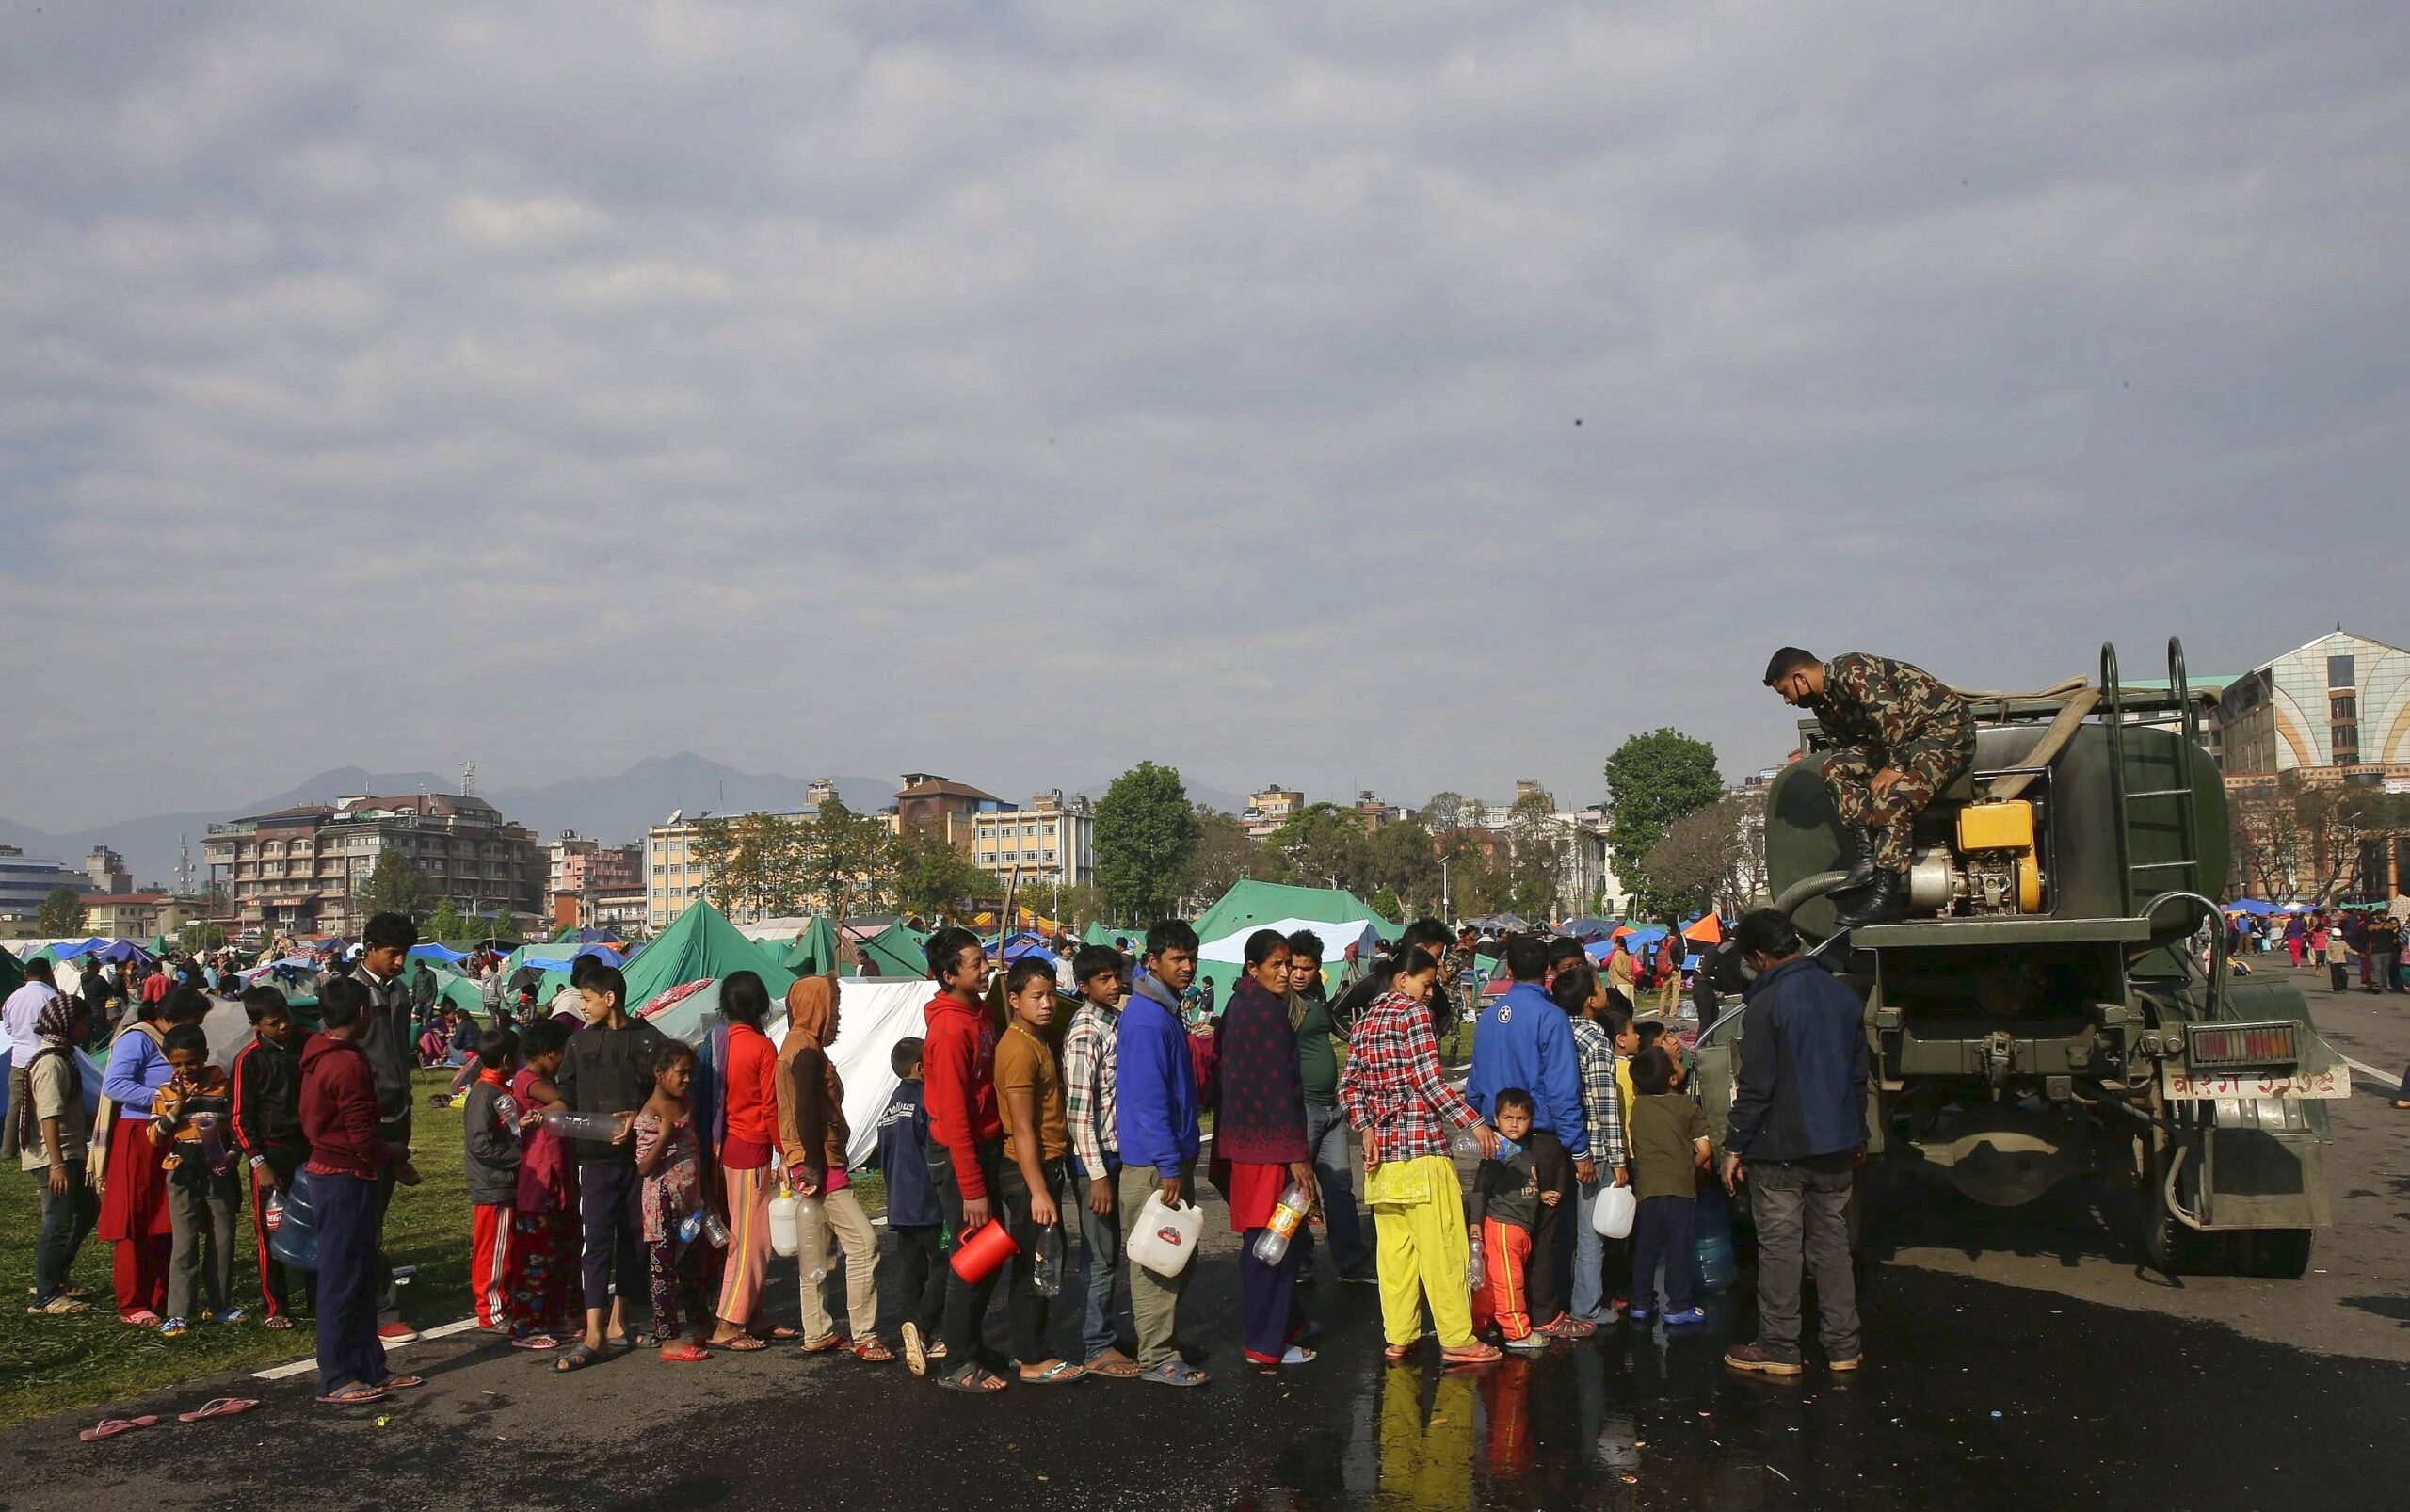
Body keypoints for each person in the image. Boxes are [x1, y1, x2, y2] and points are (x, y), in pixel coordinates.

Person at [1719, 909, 1867, 1376]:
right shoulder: (1842, 995)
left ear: (1760, 957)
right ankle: (1844, 1346)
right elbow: (1859, 1076)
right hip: (1837, 1144)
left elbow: (1757, 1085)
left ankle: (1781, 1347)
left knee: (1781, 1248)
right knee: (1832, 1246)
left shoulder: (1768, 1003)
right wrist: (1857, 1130)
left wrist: (1734, 1146)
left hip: (1780, 1149)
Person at [1339, 945, 1501, 1367]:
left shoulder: (1366, 1020)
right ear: (1403, 978)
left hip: (1382, 1161)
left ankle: (1399, 1337)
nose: (1429, 993)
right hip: (1422, 1152)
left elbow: (1349, 1088)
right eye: (1426, 983)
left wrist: (1368, 1129)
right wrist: (1474, 1122)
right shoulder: (1411, 1014)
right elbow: (1428, 1082)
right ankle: (1457, 1339)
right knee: (1444, 1252)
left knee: (1394, 1258)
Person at [1764, 646, 1976, 928]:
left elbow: (1890, 716)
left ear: (1801, 678)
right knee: (1835, 767)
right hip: (1902, 743)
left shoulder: (1851, 670)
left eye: (1785, 691)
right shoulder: (1825, 703)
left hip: (1942, 732)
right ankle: (1867, 859)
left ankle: (1886, 897)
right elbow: (1844, 751)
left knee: (1891, 795)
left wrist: (1895, 767)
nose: (1787, 701)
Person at [302, 974, 423, 1406]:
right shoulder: (346, 1064)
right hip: (345, 1174)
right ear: (361, 1015)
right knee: (343, 1278)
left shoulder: (322, 1055)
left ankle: (369, 1366)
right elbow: (361, 1134)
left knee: (361, 1272)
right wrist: (394, 1154)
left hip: (339, 1170)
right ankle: (336, 1375)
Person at [1465, 934, 1593, 1341]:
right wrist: (1578, 1147)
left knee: (1503, 1226)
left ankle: (1503, 1312)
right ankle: (1542, 1314)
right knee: (1543, 1229)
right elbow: (1561, 1087)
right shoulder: (1551, 1017)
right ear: (1548, 972)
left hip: (1496, 1135)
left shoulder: (1489, 1016)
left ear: (1510, 970)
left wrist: (1482, 1122)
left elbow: (1475, 1084)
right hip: (1540, 1137)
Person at [554, 963, 667, 1372]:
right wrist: (542, 1113)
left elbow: (667, 1091)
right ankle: (594, 1334)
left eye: (585, 999)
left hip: (640, 1159)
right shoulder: (578, 1045)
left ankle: (622, 1321)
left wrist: (638, 1117)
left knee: (636, 1239)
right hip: (595, 1159)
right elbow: (565, 1094)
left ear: (609, 998)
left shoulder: (650, 1040)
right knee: (597, 1241)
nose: (581, 1006)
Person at [1216, 930, 1320, 1371]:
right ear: (1252, 968)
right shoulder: (1266, 1012)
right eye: (1275, 965)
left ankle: (1282, 1326)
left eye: (1288, 964)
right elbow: (1280, 1089)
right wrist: (1297, 1155)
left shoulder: (1240, 1004)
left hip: (1247, 1147)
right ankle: (1266, 1342)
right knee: (1272, 1245)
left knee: (1268, 1242)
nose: (1285, 973)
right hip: (1269, 1151)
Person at [1115, 919, 1208, 1388]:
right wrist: (1169, 1165)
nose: (1188, 967)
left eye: (1192, 958)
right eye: (1177, 959)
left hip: (1168, 1156)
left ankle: (1161, 1343)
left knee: (1176, 1260)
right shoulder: (1150, 1018)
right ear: (1153, 961)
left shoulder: (1161, 1008)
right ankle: (1157, 1357)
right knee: (1157, 1264)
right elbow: (1150, 1100)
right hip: (1155, 1163)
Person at [920, 927, 1009, 1392]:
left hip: (986, 1144)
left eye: (983, 960)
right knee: (969, 1255)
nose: (985, 967)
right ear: (949, 974)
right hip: (960, 1153)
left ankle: (970, 1342)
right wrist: (971, 1187)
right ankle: (958, 1361)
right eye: (975, 963)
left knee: (990, 1252)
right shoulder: (951, 1029)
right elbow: (954, 1115)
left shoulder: (981, 1012)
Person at [779, 975, 884, 1360]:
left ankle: (817, 1330)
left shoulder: (797, 1045)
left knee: (815, 1254)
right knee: (864, 1245)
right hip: (821, 1164)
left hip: (807, 1161)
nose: (837, 1017)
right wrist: (814, 1167)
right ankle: (865, 1334)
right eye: (833, 1008)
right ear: (815, 1007)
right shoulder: (806, 1051)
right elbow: (805, 1109)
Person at [993, 957, 1084, 1385]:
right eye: (1037, 996)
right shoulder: (1016, 1050)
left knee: (1041, 1259)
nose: (1048, 1003)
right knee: (1038, 1262)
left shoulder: (1037, 1038)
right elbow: (1023, 1129)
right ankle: (1032, 1357)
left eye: (1051, 994)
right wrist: (1039, 1191)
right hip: (1029, 1169)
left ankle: (1027, 1347)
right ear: (1014, 1000)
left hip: (1046, 1165)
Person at [97, 986, 198, 1324]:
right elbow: (115, 1085)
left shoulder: (176, 1044)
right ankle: (132, 1301)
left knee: (166, 1214)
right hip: (138, 1134)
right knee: (135, 1216)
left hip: (170, 1133)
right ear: (172, 1019)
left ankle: (162, 1293)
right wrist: (163, 1096)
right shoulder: (137, 1038)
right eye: (193, 1022)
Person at [1060, 944, 1137, 1378]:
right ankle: (1096, 1345)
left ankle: (1105, 1332)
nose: (1113, 985)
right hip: (1098, 1159)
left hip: (1119, 1151)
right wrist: (1097, 1175)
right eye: (1102, 980)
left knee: (1112, 1250)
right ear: (1084, 986)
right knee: (1100, 1254)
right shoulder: (1085, 1031)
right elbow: (1078, 1111)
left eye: (1115, 976)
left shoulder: (1116, 1021)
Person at [1282, 929, 1374, 1289]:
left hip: (1331, 1108)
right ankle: (1299, 1263)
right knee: (1298, 1191)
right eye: (1294, 967)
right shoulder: (1283, 1001)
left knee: (1339, 1189)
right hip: (1301, 1110)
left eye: (1307, 967)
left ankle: (1352, 1262)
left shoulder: (1318, 996)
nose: (1299, 974)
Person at [354, 912, 423, 1345]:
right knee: (362, 1220)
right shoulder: (348, 993)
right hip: (364, 1117)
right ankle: (380, 1310)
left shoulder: (398, 992)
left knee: (373, 1215)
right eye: (392, 954)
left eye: (404, 954)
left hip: (398, 1113)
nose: (399, 962)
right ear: (370, 950)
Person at [705, 971, 779, 1353]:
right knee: (750, 1242)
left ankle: (752, 1313)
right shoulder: (762, 1047)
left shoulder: (718, 1041)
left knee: (749, 1235)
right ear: (760, 1005)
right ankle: (728, 1323)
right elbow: (771, 1107)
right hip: (753, 1149)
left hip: (726, 1146)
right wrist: (789, 1152)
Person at [151, 1022, 240, 1335]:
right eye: (177, 1064)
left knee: (223, 1235)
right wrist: (176, 1109)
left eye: (192, 1062)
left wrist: (234, 1154)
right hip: (182, 1167)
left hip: (218, 1165)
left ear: (204, 1055)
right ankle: (179, 1311)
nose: (185, 1070)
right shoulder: (165, 1093)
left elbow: (237, 1125)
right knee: (184, 1239)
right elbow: (154, 1135)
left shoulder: (223, 1086)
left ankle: (220, 1304)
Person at [635, 1039, 720, 1362]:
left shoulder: (686, 1104)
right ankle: (669, 1336)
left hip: (691, 1201)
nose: (687, 1080)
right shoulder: (650, 1115)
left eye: (690, 1074)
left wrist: (705, 1195)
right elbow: (644, 1165)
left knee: (692, 1265)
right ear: (659, 1073)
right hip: (664, 1203)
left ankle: (701, 1322)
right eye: (681, 1073)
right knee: (663, 1270)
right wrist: (664, 1138)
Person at [1555, 966, 1629, 1328]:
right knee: (1591, 1233)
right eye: (1599, 986)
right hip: (1594, 1147)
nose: (1604, 990)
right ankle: (1586, 1306)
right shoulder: (1596, 1040)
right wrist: (1618, 1158)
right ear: (1589, 1000)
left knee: (1563, 1228)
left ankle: (1560, 1298)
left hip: (1560, 1144)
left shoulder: (1554, 1033)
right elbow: (1605, 1103)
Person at [872, 1037, 947, 1371]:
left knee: (911, 1272)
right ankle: (925, 1328)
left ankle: (912, 1333)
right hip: (927, 1200)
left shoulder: (889, 1106)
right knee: (946, 1264)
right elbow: (935, 1149)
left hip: (899, 1202)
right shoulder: (924, 1100)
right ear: (920, 1067)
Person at [1469, 1088, 1563, 1353]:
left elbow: (1517, 1187)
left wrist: (1539, 1195)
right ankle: (1516, 1332)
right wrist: (1475, 1224)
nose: (1514, 1124)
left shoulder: (1524, 1151)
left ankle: (1478, 1325)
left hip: (1519, 1229)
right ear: (1495, 1119)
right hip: (1502, 1227)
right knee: (1510, 1282)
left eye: (1521, 1118)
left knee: (1492, 1285)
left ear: (1531, 1120)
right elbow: (1480, 1190)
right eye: (1507, 1117)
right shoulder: (1497, 1152)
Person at [504, 1020, 579, 1350]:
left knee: (556, 1255)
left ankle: (551, 1317)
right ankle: (525, 1325)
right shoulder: (529, 1079)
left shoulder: (541, 1077)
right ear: (550, 1053)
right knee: (534, 1258)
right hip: (539, 1181)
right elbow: (566, 1101)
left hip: (557, 1178)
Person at [22, 994, 98, 1316]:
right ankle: (46, 1294)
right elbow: (48, 1116)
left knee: (86, 1210)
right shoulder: (52, 1063)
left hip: (70, 1151)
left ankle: (56, 1277)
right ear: (68, 1025)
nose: (87, 1027)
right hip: (57, 1155)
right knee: (59, 1222)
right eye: (82, 1022)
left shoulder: (63, 1056)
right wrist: (57, 1164)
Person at [1625, 1046, 1711, 1327]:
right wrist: (1689, 1166)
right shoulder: (1687, 1107)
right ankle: (1679, 1305)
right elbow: (1705, 1150)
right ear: (1672, 1078)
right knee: (1678, 1249)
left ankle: (1640, 1302)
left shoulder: (1638, 1108)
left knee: (1645, 1249)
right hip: (1680, 1189)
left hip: (1647, 1189)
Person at [461, 1027, 522, 1332]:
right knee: (494, 1250)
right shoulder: (484, 1094)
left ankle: (502, 1303)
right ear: (508, 1059)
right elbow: (480, 1144)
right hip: (493, 1184)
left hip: (504, 1182)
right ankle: (491, 1311)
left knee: (505, 1246)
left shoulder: (499, 1090)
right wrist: (519, 1158)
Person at [2, 957, 62, 1166]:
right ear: (48, 974)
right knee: (47, 1105)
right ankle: (42, 1145)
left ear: (26, 975)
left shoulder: (13, 998)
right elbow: (59, 1027)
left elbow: (8, 1029)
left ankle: (8, 1148)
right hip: (44, 1058)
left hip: (19, 1058)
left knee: (16, 1105)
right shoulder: (51, 996)